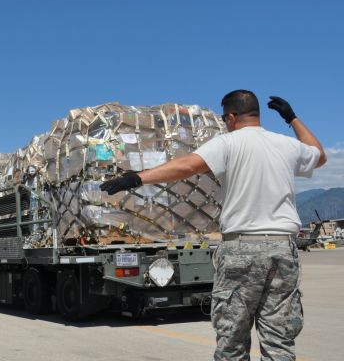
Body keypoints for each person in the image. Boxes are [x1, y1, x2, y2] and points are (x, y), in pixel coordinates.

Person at [100, 91, 326, 361]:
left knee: (231, 342)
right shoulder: (286, 144)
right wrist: (292, 117)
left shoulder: (228, 143)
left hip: (243, 249)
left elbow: (187, 166)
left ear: (231, 117)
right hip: (283, 250)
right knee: (279, 344)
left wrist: (137, 179)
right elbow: (319, 155)